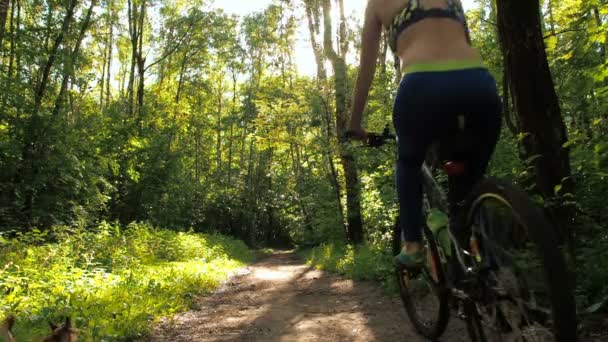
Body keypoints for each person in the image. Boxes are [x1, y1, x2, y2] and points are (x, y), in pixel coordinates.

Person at [348, 0, 502, 268]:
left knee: (408, 162)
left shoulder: (377, 4)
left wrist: (355, 124)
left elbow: (367, 70)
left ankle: (413, 245)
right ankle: (489, 258)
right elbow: (465, 40)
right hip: (479, 84)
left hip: (421, 88)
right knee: (472, 183)